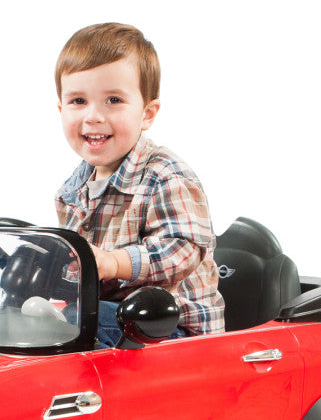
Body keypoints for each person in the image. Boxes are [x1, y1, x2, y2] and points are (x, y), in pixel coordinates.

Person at [55, 23, 225, 346]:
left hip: (174, 330)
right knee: (36, 319)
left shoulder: (167, 176)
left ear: (147, 114)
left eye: (113, 100)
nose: (93, 116)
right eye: (78, 100)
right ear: (61, 110)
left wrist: (113, 262)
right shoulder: (70, 193)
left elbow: (181, 250)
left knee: (72, 325)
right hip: (110, 316)